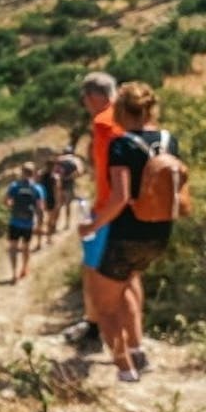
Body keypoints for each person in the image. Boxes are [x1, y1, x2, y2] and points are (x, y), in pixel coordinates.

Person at [79, 81, 181, 382]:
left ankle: (125, 370)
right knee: (128, 285)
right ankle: (138, 353)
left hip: (125, 233)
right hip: (159, 233)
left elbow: (120, 197)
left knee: (104, 307)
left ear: (121, 110)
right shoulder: (169, 140)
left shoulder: (121, 144)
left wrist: (91, 226)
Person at [64, 72, 122, 346]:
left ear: (93, 97)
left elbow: (105, 169)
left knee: (93, 269)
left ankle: (95, 325)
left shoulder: (103, 124)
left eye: (85, 99)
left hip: (109, 206)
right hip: (134, 208)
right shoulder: (130, 117)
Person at [4, 161, 44, 284]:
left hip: (15, 222)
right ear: (33, 173)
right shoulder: (37, 188)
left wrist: (12, 207)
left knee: (13, 248)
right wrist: (39, 224)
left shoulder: (14, 186)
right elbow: (40, 208)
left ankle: (14, 273)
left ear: (22, 172)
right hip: (28, 223)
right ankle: (24, 269)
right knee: (26, 247)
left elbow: (6, 201)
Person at [55, 145, 84, 230]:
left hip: (59, 184)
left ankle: (54, 224)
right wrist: (70, 177)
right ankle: (67, 224)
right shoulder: (75, 159)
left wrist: (61, 178)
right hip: (69, 184)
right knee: (68, 205)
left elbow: (55, 171)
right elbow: (80, 172)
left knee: (58, 204)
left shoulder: (60, 159)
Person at [38, 157, 61, 248]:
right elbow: (56, 190)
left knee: (40, 221)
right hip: (51, 200)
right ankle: (49, 239)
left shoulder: (41, 176)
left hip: (41, 199)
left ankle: (39, 243)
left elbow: (37, 187)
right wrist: (58, 202)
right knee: (50, 221)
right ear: (53, 166)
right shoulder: (55, 177)